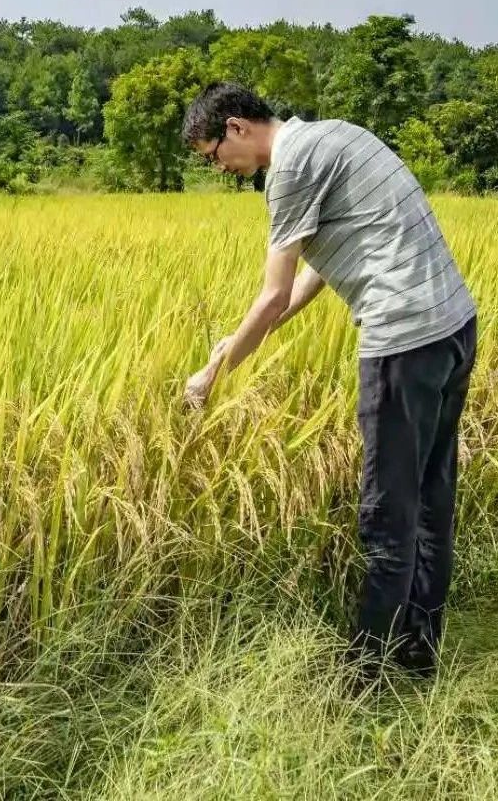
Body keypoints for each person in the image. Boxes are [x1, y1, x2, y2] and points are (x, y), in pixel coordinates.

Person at [181, 83, 476, 680]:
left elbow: (271, 295)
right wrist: (242, 341)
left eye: (213, 156)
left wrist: (214, 371)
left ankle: (366, 675)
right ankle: (419, 656)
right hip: (454, 329)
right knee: (430, 500)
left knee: (387, 513)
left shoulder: (289, 170)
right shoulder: (337, 135)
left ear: (237, 128)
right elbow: (316, 273)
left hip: (400, 340)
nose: (221, 169)